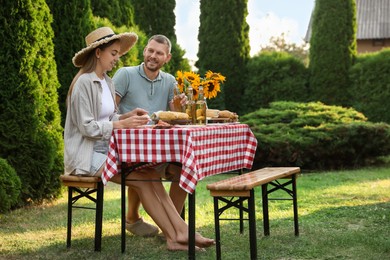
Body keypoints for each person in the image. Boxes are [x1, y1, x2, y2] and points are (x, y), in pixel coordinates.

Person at [64, 27, 214, 251]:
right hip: (86, 156)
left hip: (108, 151)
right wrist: (119, 124)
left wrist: (126, 115)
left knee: (150, 173)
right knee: (142, 177)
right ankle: (176, 235)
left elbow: (110, 115)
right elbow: (86, 127)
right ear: (98, 53)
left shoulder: (106, 81)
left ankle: (179, 232)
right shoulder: (84, 83)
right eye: (113, 53)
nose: (117, 59)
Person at [112, 35, 188, 237]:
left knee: (184, 170)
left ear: (167, 57)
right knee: (143, 166)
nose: (153, 56)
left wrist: (182, 105)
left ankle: (172, 224)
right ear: (144, 50)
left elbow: (177, 117)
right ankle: (132, 218)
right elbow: (108, 112)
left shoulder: (170, 81)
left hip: (160, 150)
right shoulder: (125, 74)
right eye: (151, 51)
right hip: (129, 152)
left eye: (159, 53)